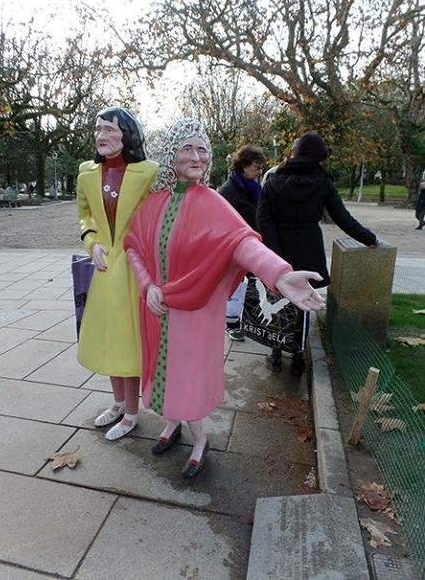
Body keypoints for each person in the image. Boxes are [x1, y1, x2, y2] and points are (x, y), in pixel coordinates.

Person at [124, 119, 324, 478]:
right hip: (156, 309)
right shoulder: (153, 202)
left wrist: (279, 273)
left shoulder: (214, 204)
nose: (196, 156)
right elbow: (133, 247)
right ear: (171, 153)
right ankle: (171, 426)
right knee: (162, 372)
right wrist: (147, 286)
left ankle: (200, 440)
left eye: (202, 149)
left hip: (195, 313)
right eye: (187, 148)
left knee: (189, 376)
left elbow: (243, 244)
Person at [257, 132, 379, 375]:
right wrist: (371, 239)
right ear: (318, 157)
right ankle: (299, 355)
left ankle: (276, 352)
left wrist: (274, 254)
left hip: (278, 250)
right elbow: (343, 218)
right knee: (304, 302)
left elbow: (263, 220)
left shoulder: (273, 180)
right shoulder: (323, 183)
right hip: (308, 251)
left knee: (278, 300)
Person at [76, 106, 158, 440]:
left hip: (135, 271)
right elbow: (85, 216)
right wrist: (91, 242)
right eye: (98, 129)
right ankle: (118, 403)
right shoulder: (86, 173)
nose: (102, 136)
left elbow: (156, 219)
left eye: (110, 129)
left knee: (129, 342)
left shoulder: (148, 172)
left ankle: (133, 412)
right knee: (109, 338)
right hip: (105, 268)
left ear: (127, 134)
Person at [219, 145, 266, 341]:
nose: (260, 170)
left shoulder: (254, 188)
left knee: (251, 284)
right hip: (235, 246)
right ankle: (231, 323)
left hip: (253, 243)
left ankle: (246, 320)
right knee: (237, 285)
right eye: (257, 166)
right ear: (244, 166)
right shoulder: (228, 191)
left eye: (261, 166)